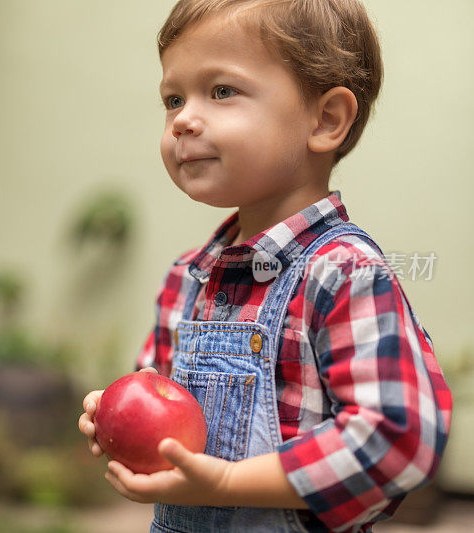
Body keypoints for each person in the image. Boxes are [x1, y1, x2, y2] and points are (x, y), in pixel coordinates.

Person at [76, 0, 453, 531]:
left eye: (222, 91)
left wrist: (229, 484)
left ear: (326, 120)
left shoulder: (343, 272)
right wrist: (113, 412)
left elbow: (398, 437)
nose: (183, 119)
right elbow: (158, 397)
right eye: (173, 98)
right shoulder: (187, 278)